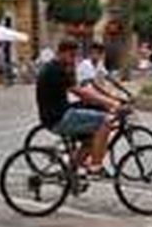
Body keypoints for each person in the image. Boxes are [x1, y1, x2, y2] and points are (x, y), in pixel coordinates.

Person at [37, 39, 121, 174]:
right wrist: (110, 102)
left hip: (59, 113)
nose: (74, 59)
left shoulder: (58, 67)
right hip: (59, 117)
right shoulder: (54, 70)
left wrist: (108, 99)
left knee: (90, 140)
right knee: (106, 121)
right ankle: (96, 165)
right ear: (62, 53)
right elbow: (81, 92)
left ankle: (70, 172)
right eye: (72, 55)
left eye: (75, 56)